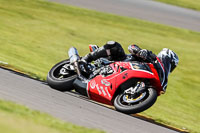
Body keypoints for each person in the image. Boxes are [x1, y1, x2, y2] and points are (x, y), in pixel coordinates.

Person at [82, 41, 179, 91]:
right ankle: (86, 59)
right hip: (120, 62)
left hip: (122, 77)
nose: (170, 67)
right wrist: (140, 51)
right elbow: (131, 46)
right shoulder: (152, 58)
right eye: (171, 64)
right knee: (114, 45)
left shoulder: (161, 78)